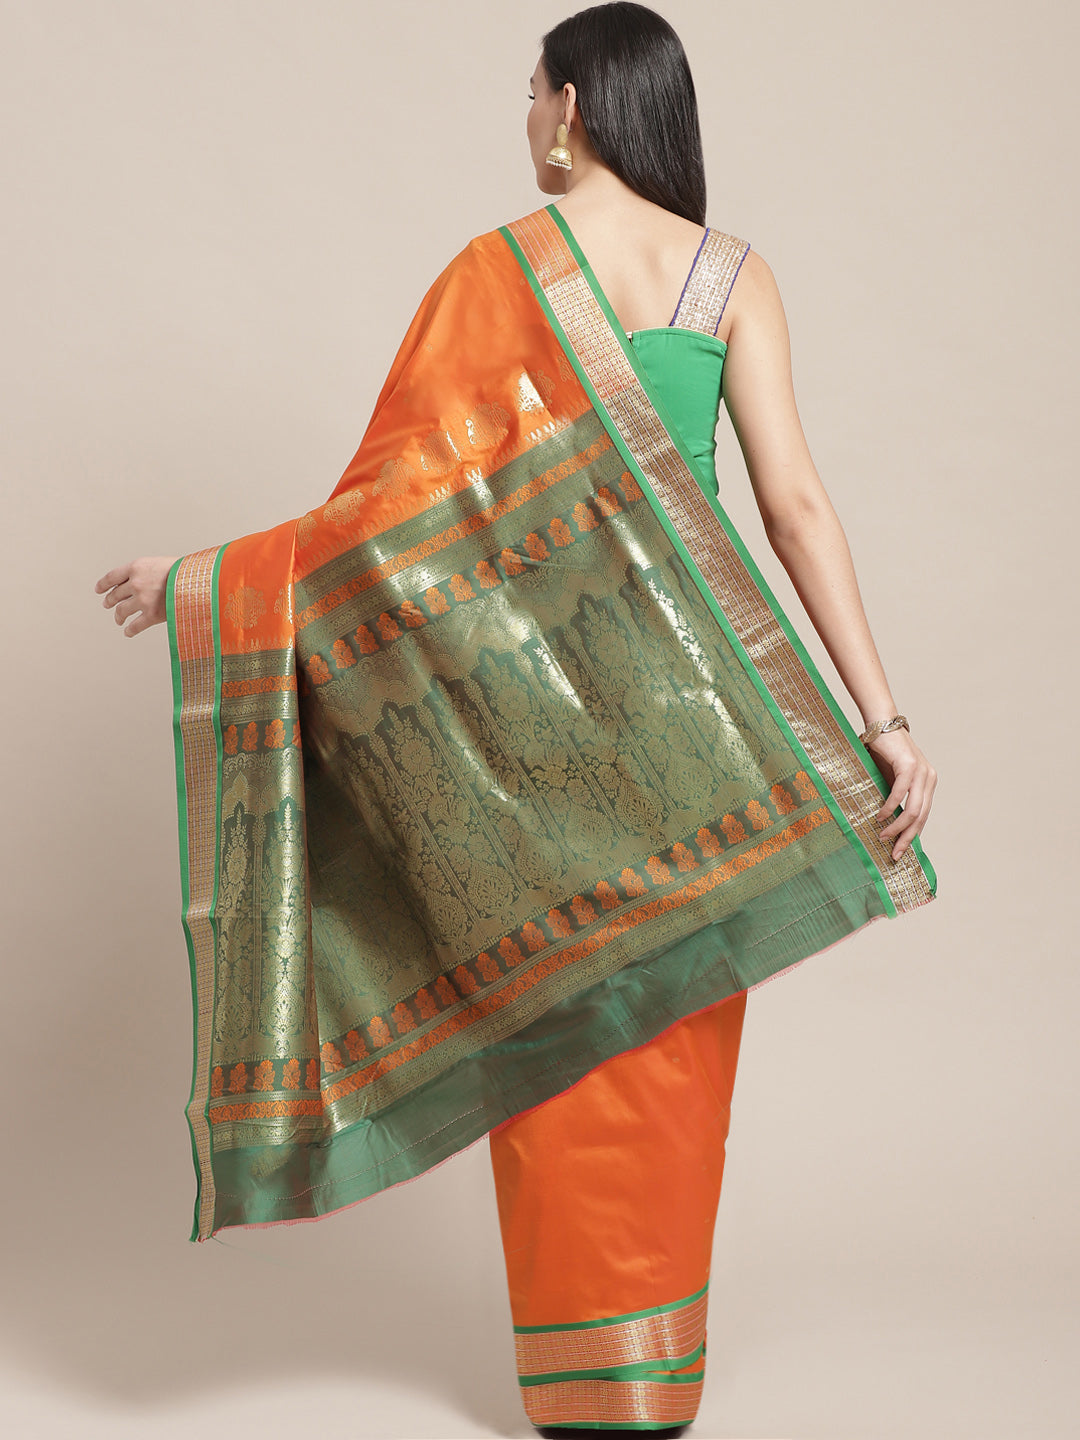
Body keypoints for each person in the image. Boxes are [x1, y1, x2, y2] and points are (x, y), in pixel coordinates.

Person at [94, 5, 937, 1436]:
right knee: (670, 1054)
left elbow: (392, 528)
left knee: (560, 1044)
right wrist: (884, 715)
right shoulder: (733, 277)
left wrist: (206, 582)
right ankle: (652, 1389)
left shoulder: (499, 273)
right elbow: (797, 505)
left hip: (528, 749)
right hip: (706, 740)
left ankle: (580, 1392)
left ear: (574, 108)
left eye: (531, 92)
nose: (526, 116)